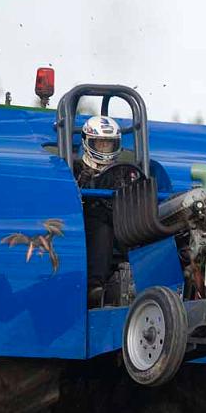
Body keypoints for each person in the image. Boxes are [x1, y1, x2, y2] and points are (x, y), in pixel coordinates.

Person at [74, 115, 125, 307]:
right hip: (85, 222)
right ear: (88, 142)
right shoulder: (73, 169)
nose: (104, 149)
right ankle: (94, 287)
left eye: (108, 144)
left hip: (121, 220)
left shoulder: (123, 172)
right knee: (102, 225)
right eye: (100, 144)